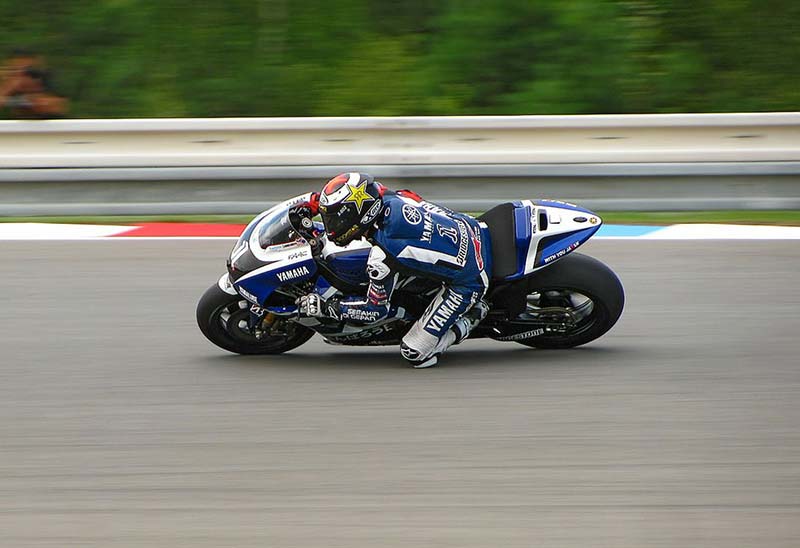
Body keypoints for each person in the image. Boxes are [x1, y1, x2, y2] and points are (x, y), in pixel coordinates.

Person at [289, 172, 491, 368]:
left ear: (355, 218)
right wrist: (311, 204)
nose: (330, 225)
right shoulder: (387, 196)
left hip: (471, 278)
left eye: (335, 219)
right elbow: (398, 195)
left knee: (415, 353)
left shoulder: (382, 256)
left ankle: (472, 316)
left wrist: (328, 307)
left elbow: (375, 311)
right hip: (471, 227)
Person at [0, 49, 67, 119]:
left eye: (27, 71)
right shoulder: (10, 87)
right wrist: (7, 88)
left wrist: (10, 100)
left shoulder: (46, 80)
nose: (22, 77)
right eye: (14, 70)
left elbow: (49, 105)